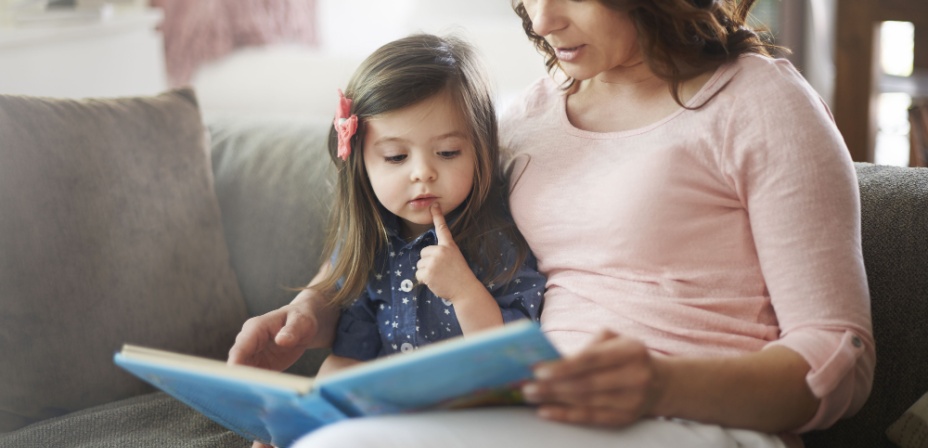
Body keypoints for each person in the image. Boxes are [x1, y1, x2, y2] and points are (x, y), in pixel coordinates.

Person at [230, 1, 875, 447]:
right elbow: (399, 228)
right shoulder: (525, 116)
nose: (541, 19)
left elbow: (841, 357)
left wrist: (659, 384)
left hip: (695, 421)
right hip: (532, 410)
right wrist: (315, 306)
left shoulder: (761, 104)